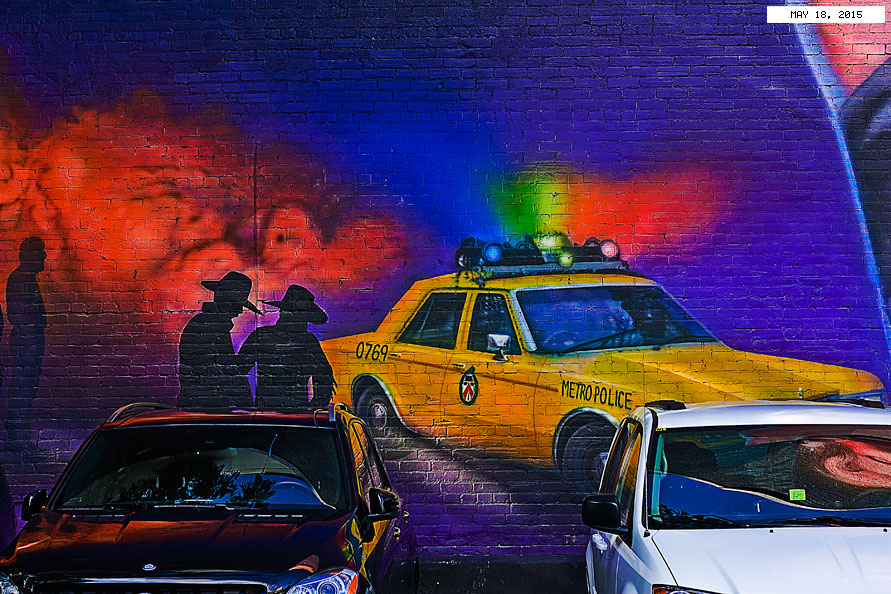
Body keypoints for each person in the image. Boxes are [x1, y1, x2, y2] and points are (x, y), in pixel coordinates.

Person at [240, 284, 335, 411]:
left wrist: (246, 406)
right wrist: (314, 407)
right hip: (291, 413)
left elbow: (237, 371)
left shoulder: (261, 336)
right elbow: (325, 378)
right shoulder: (308, 341)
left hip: (272, 412)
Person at [178, 271, 260, 410]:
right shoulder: (207, 327)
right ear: (225, 303)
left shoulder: (210, 325)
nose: (240, 311)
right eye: (237, 305)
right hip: (205, 409)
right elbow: (215, 373)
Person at [6, 237, 47, 449]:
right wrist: (28, 336)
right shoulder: (21, 280)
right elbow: (17, 315)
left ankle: (19, 438)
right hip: (27, 343)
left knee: (26, 389)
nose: (45, 256)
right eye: (40, 251)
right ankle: (17, 439)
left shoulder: (25, 279)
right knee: (23, 389)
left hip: (30, 342)